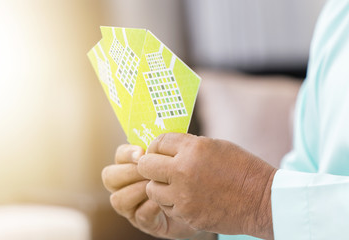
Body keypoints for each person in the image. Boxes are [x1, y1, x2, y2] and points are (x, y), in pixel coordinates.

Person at [101, 0, 349, 239]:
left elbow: (279, 204)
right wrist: (211, 221)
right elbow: (304, 180)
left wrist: (259, 201)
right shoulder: (337, 17)